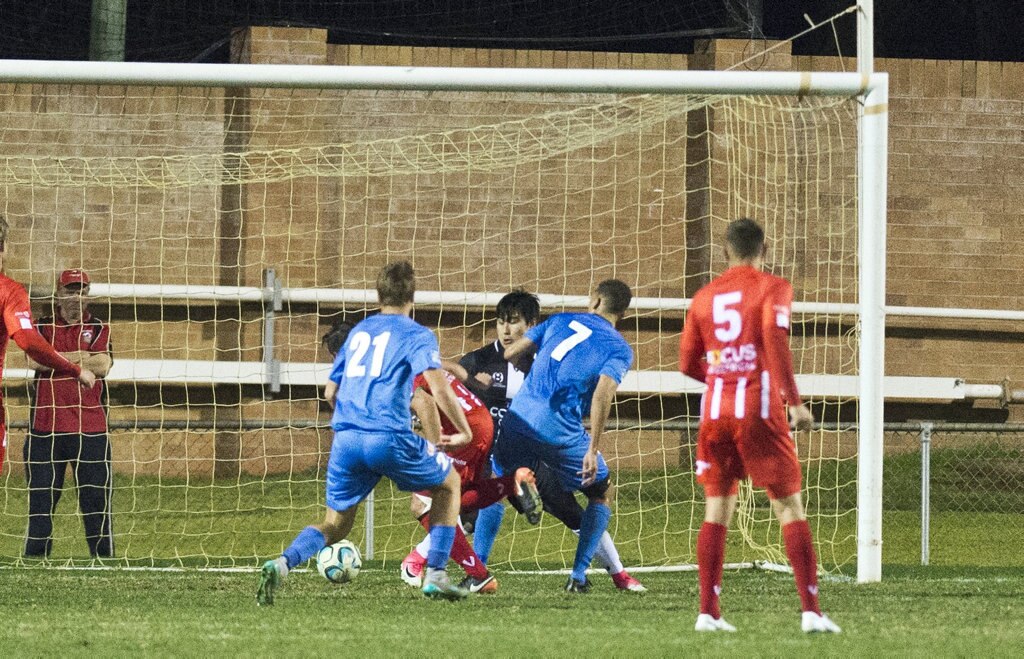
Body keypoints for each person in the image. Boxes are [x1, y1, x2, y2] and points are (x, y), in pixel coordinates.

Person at [257, 261, 475, 605]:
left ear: (378, 296)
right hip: (387, 436)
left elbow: (330, 391)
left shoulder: (359, 332)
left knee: (336, 524)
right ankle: (435, 574)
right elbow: (437, 386)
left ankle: (282, 563)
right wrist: (463, 431)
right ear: (412, 297)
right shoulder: (416, 334)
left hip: (346, 440)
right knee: (449, 484)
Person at [678, 217, 840, 634]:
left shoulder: (702, 297)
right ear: (764, 249)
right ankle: (810, 612)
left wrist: (721, 377)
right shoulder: (773, 287)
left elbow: (686, 362)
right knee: (788, 507)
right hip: (758, 407)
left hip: (714, 411)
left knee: (716, 510)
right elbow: (773, 337)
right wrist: (796, 402)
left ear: (724, 251)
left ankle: (707, 614)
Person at [324, 318, 540, 595]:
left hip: (462, 429)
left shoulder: (385, 369)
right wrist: (471, 381)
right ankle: (511, 484)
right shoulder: (399, 349)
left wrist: (433, 447)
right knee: (457, 496)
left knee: (424, 504)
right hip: (479, 418)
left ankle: (478, 575)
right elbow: (445, 367)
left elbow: (424, 401)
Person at [452, 289, 646, 591]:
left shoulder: (560, 321)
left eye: (514, 321)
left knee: (496, 486)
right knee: (601, 491)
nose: (506, 329)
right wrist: (592, 448)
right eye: (501, 322)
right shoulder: (618, 348)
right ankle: (579, 576)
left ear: (593, 299)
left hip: (517, 423)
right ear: (624, 313)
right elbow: (602, 394)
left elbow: (511, 354)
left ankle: (478, 570)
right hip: (558, 430)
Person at [24, 269, 114, 558]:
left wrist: (55, 359)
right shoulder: (41, 326)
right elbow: (33, 358)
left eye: (82, 291)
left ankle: (102, 558)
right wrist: (79, 362)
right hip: (45, 428)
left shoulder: (99, 327)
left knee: (96, 502)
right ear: (58, 293)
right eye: (70, 290)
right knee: (41, 502)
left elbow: (103, 364)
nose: (76, 298)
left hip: (91, 429)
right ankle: (36, 559)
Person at [0, 216, 97, 478]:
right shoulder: (9, 291)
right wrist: (75, 368)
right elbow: (29, 343)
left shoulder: (97, 326)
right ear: (4, 248)